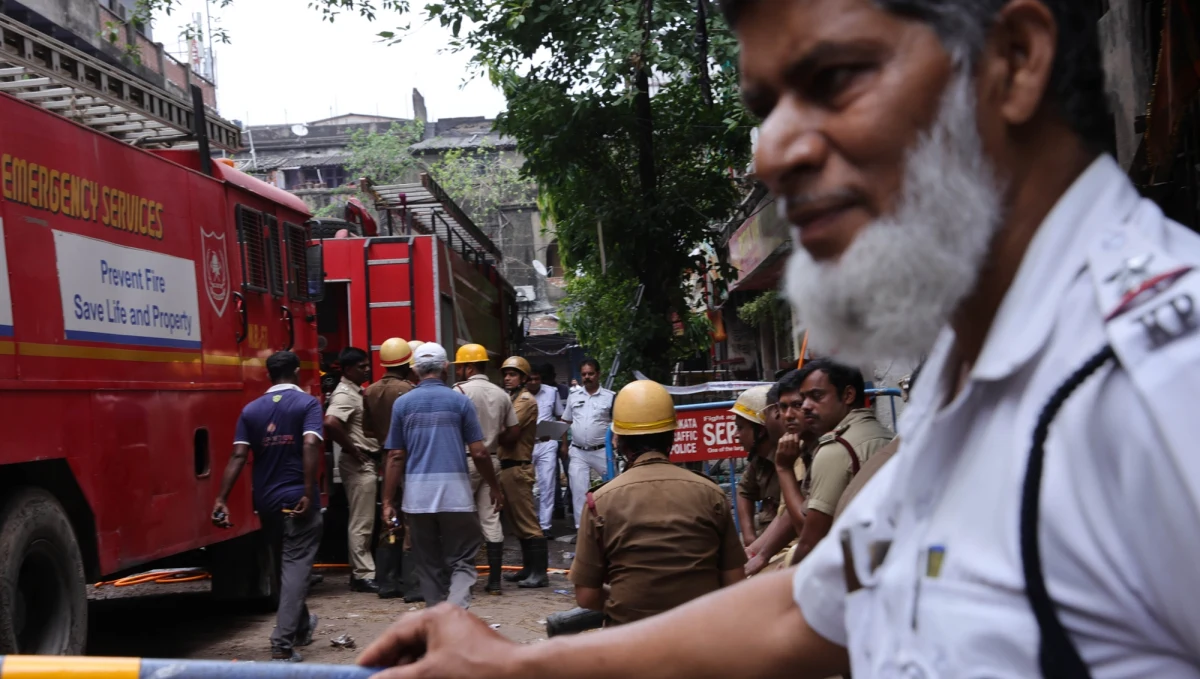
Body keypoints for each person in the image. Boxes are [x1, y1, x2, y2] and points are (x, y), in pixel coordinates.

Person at [358, 1, 1200, 676]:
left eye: (833, 78)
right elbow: (813, 609)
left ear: (1014, 60)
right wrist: (521, 667)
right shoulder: (975, 365)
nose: (773, 154)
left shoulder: (1167, 380)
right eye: (767, 107)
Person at [568, 380, 746, 626]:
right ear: (673, 436)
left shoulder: (599, 502)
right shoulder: (712, 494)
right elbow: (735, 582)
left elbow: (587, 596)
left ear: (618, 440)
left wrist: (625, 603)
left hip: (631, 640)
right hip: (703, 638)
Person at [212, 351, 322, 663]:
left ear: (268, 376)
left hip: (267, 501)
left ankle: (301, 625)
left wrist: (221, 498)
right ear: (297, 372)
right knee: (297, 567)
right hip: (298, 498)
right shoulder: (307, 404)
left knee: (283, 565)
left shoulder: (251, 410)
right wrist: (309, 489)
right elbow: (311, 444)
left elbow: (238, 456)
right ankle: (282, 644)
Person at [381, 342, 503, 608]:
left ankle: (438, 619)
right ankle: (456, 612)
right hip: (456, 497)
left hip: (418, 499)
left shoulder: (402, 405)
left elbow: (395, 456)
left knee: (428, 564)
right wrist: (494, 486)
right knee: (462, 560)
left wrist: (388, 501)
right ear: (446, 368)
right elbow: (480, 453)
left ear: (415, 370)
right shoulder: (460, 402)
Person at [774, 359, 894, 565]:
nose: (805, 407)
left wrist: (783, 469)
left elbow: (809, 540)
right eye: (803, 399)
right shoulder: (884, 435)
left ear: (848, 395)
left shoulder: (836, 449)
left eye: (816, 396)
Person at [452, 343, 520, 595]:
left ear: (469, 367)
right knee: (491, 519)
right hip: (491, 461)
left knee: (461, 521)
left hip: (465, 460)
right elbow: (514, 431)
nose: (458, 371)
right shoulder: (501, 394)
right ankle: (493, 582)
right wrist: (493, 436)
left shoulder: (458, 391)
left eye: (459, 367)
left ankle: (464, 582)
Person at [323, 346, 381, 594]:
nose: (367, 370)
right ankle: (362, 575)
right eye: (361, 367)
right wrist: (354, 449)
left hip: (365, 461)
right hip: (359, 463)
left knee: (365, 519)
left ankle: (363, 571)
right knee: (362, 521)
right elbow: (330, 422)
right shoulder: (345, 394)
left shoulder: (355, 391)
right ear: (347, 370)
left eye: (367, 365)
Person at [496, 356, 548, 588]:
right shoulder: (512, 398)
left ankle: (539, 573)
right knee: (518, 523)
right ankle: (528, 569)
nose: (508, 378)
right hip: (509, 467)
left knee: (527, 521)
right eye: (506, 374)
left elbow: (509, 433)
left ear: (524, 378)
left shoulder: (525, 400)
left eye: (513, 374)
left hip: (518, 466)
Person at [561, 358, 615, 535]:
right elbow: (565, 421)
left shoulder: (610, 397)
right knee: (578, 491)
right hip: (578, 451)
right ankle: (582, 531)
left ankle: (613, 525)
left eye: (590, 373)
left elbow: (618, 423)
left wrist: (616, 441)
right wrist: (563, 445)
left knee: (612, 487)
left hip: (602, 451)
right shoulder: (573, 396)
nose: (587, 377)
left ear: (598, 374)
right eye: (584, 374)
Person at [730, 385, 782, 546]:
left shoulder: (793, 459)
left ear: (760, 431)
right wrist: (749, 536)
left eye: (740, 427)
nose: (735, 435)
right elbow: (744, 491)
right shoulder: (758, 460)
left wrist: (757, 551)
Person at [364, 338, 416, 453]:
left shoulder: (369, 391)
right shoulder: (409, 389)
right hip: (406, 454)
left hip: (384, 455)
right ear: (405, 366)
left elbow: (367, 431)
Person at [529, 363, 563, 538]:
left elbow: (560, 417)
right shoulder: (519, 395)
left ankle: (545, 525)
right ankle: (530, 522)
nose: (534, 382)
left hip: (547, 442)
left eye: (537, 379)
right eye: (531, 379)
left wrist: (562, 443)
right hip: (526, 444)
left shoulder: (551, 392)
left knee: (547, 483)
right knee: (526, 485)